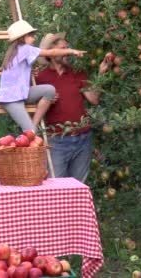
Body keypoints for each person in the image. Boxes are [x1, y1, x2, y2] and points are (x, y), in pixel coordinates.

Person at [35, 32, 110, 182]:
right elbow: (31, 105)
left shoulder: (77, 73)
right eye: (63, 49)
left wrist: (101, 73)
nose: (68, 52)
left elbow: (93, 99)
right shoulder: (40, 78)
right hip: (56, 141)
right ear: (52, 52)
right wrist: (45, 100)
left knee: (78, 187)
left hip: (83, 139)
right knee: (56, 189)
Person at [0, 21, 85, 133]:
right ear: (22, 37)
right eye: (31, 36)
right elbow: (51, 52)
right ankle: (31, 133)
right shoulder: (25, 48)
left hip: (21, 93)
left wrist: (28, 73)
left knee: (49, 90)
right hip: (11, 99)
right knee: (30, 132)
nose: (33, 39)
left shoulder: (15, 51)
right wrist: (71, 51)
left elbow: (14, 74)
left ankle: (34, 124)